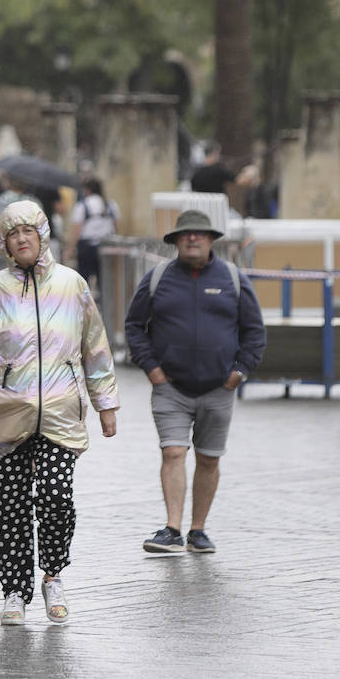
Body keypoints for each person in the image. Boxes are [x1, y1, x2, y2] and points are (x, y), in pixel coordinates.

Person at [0, 200, 119, 627]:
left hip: (61, 412)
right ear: (4, 243)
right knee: (9, 508)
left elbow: (94, 346)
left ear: (43, 235)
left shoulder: (72, 285)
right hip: (3, 413)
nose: (22, 239)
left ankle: (53, 574)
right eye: (13, 234)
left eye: (29, 232)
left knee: (57, 498)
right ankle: (14, 591)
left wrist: (106, 404)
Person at [124, 208, 266, 556]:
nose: (192, 239)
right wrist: (152, 370)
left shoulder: (233, 279)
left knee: (208, 459)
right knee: (173, 452)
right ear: (174, 241)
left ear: (211, 240)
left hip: (219, 389)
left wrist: (239, 374)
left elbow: (255, 331)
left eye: (199, 234)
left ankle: (198, 530)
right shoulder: (158, 278)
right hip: (170, 388)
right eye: (185, 234)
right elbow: (134, 326)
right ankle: (172, 528)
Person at [63, 177, 119, 291]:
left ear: (87, 189)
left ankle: (84, 305)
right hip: (106, 246)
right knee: (104, 280)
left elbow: (77, 230)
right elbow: (116, 227)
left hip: (86, 247)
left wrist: (69, 251)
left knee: (84, 280)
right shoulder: (111, 204)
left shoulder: (82, 205)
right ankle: (105, 305)